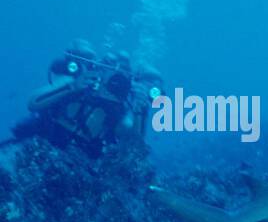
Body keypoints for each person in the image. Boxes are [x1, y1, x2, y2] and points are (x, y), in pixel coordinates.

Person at [8, 40, 162, 157]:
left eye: (122, 81)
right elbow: (33, 103)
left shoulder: (117, 114)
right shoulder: (77, 85)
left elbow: (135, 150)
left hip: (71, 173)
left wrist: (140, 113)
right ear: (102, 71)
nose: (116, 84)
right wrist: (72, 86)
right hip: (34, 148)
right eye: (113, 76)